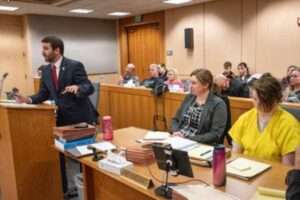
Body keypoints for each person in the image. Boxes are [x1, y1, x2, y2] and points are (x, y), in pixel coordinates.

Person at [15, 36, 99, 197]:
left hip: (80, 118)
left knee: (84, 156)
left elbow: (88, 87)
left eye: (46, 48)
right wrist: (28, 99)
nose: (42, 52)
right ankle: (65, 188)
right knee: (60, 154)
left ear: (57, 50)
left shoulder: (74, 65)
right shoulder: (46, 70)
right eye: (43, 48)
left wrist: (78, 87)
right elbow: (43, 93)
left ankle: (88, 191)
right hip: (60, 118)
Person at [230, 73, 300, 165]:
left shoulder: (289, 124)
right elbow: (235, 155)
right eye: (254, 99)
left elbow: (286, 168)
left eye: (262, 100)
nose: (256, 103)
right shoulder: (245, 118)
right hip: (245, 171)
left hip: (273, 175)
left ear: (275, 99)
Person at [171, 68, 227, 145]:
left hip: (199, 143)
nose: (190, 86)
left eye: (194, 83)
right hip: (179, 139)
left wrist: (187, 139)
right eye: (190, 82)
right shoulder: (189, 98)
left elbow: (215, 134)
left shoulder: (218, 104)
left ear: (206, 85)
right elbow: (175, 119)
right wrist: (176, 132)